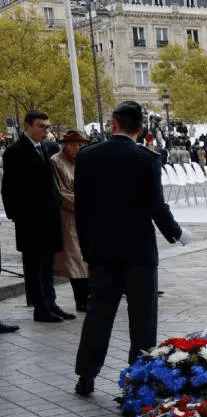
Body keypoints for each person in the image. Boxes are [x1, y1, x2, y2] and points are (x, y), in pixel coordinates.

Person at [73, 100, 190, 398]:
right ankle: (137, 381)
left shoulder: (87, 156)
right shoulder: (146, 159)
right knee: (142, 318)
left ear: (113, 123)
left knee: (98, 315)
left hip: (101, 251)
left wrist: (87, 251)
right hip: (138, 251)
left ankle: (86, 375)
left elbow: (81, 209)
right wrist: (176, 233)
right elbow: (156, 206)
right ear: (141, 128)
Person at [1, 110, 70, 322]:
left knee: (48, 265)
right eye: (41, 126)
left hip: (49, 217)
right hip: (30, 220)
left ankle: (51, 303)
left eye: (47, 127)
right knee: (34, 267)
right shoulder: (15, 151)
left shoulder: (46, 148)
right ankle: (40, 308)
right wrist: (18, 216)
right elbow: (9, 188)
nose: (45, 131)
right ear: (28, 125)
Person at [51, 130, 93, 313]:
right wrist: (83, 204)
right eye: (74, 144)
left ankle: (89, 295)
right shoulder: (56, 162)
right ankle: (81, 299)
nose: (78, 148)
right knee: (74, 258)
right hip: (69, 214)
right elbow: (61, 192)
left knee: (86, 257)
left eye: (80, 145)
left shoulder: (82, 161)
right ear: (66, 145)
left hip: (85, 214)